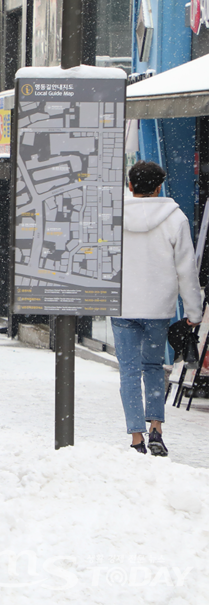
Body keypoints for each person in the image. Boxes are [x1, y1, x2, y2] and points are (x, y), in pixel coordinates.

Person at [114, 161, 202, 456]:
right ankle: (156, 430)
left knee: (128, 371)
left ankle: (136, 438)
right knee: (152, 367)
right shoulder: (174, 218)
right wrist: (194, 312)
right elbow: (186, 269)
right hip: (158, 307)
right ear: (158, 186)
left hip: (122, 305)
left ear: (130, 186)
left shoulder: (114, 216)